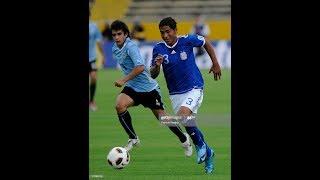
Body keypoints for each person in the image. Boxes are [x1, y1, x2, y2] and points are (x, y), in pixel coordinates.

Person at [150, 17, 222, 174]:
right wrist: (157, 65)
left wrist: (215, 63)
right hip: (175, 94)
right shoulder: (158, 48)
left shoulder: (187, 40)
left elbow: (206, 43)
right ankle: (209, 153)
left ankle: (201, 147)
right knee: (188, 123)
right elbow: (153, 74)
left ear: (175, 30)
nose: (165, 35)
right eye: (162, 33)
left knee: (183, 116)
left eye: (168, 32)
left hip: (194, 87)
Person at [110, 20, 193, 156]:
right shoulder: (114, 48)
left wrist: (123, 80)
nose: (117, 37)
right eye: (114, 35)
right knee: (120, 105)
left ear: (126, 34)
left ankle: (184, 139)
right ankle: (133, 138)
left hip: (149, 89)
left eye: (119, 34)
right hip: (133, 87)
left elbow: (140, 67)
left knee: (163, 118)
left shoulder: (131, 47)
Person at [89, 9, 105, 111]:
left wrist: (103, 55)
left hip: (91, 58)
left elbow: (99, 42)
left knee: (94, 78)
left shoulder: (94, 27)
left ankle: (91, 101)